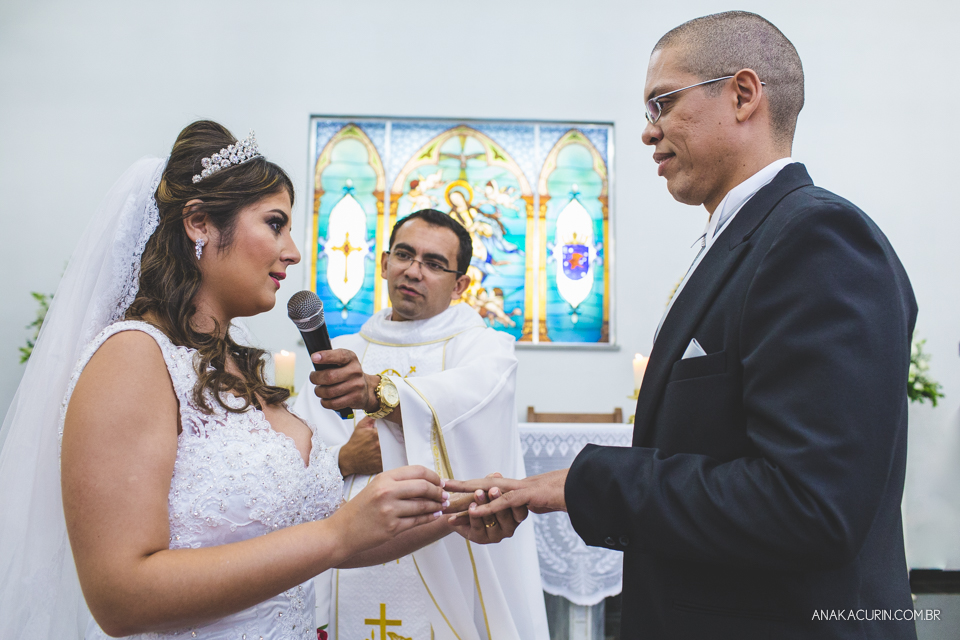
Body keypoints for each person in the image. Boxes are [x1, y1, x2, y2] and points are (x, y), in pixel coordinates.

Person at [449, 11, 918, 640]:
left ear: (743, 94)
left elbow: (809, 504)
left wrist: (577, 484)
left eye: (662, 103)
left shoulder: (817, 239)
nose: (649, 132)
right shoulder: (744, 241)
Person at [0, 121, 521, 640]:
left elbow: (304, 537)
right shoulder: (132, 357)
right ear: (199, 222)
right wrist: (335, 536)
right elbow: (120, 598)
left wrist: (458, 512)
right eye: (276, 224)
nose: (293, 251)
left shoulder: (233, 371)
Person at [294, 208, 549, 640]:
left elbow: (471, 409)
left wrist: (379, 395)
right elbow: (298, 453)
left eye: (433, 263)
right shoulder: (346, 350)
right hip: (350, 557)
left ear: (461, 284)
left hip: (448, 549)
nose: (414, 271)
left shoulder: (486, 349)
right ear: (384, 263)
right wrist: (343, 459)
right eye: (404, 255)